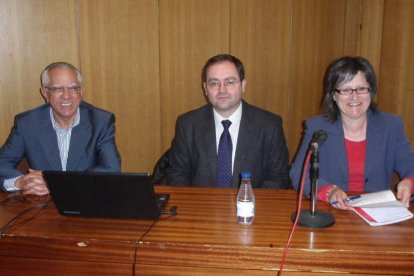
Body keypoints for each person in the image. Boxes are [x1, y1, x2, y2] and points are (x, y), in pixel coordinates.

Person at [290, 56, 414, 209]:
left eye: (361, 89)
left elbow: (410, 164)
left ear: (371, 91)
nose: (354, 96)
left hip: (378, 214)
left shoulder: (391, 125)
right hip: (333, 213)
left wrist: (410, 181)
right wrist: (328, 191)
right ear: (334, 95)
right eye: (346, 90)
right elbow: (298, 174)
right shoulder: (317, 127)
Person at [166, 54, 289, 188]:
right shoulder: (188, 124)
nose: (222, 90)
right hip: (201, 206)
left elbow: (278, 178)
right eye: (214, 83)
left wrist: (247, 205)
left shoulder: (270, 126)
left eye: (230, 82)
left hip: (252, 207)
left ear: (243, 85)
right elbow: (176, 175)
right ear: (205, 89)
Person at [0, 62, 121, 195]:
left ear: (81, 91)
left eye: (73, 88)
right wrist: (21, 182)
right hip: (42, 206)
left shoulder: (101, 121)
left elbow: (111, 168)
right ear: (45, 93)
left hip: (86, 199)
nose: (66, 96)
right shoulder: (27, 124)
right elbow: (2, 164)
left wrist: (56, 184)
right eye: (57, 88)